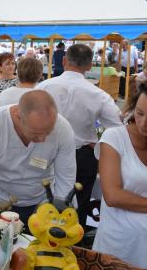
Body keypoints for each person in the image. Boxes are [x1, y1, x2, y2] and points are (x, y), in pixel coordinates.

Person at [93, 78, 147, 270]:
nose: (143, 123)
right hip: (123, 250)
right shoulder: (114, 137)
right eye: (139, 113)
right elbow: (113, 196)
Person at [37, 44, 122, 226]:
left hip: (46, 151)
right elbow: (118, 127)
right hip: (81, 155)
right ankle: (74, 246)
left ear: (64, 60)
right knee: (78, 208)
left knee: (42, 201)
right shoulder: (98, 94)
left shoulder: (44, 86)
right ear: (90, 66)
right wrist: (98, 145)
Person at [0, 90, 76, 225]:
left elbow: (66, 182)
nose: (43, 139)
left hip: (42, 207)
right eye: (36, 133)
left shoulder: (63, 128)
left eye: (48, 132)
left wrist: (60, 221)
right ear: (17, 116)